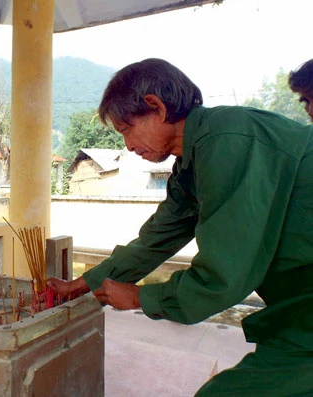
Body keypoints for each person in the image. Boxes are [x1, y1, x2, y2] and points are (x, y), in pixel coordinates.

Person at [48, 58, 313, 396]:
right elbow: (154, 241)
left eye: (126, 129)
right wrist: (81, 285)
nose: (128, 146)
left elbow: (225, 274)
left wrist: (143, 297)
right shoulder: (191, 164)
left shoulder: (228, 138)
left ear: (155, 107)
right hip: (298, 322)